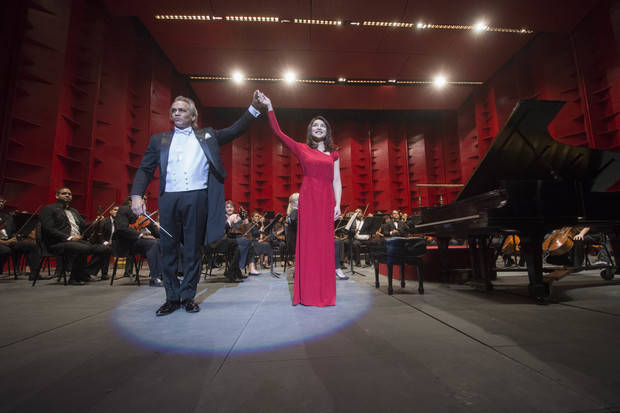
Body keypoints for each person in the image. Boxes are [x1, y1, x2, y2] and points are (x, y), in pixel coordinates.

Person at [130, 92, 264, 316]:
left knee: (193, 250)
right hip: (169, 198)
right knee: (169, 249)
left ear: (193, 116)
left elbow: (234, 130)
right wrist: (136, 194)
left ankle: (188, 296)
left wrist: (253, 108)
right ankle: (172, 297)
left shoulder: (208, 135)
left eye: (181, 109)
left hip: (197, 198)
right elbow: (145, 169)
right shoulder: (158, 140)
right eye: (173, 110)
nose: (176, 113)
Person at [258, 92, 342, 307]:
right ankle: (307, 293)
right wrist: (269, 106)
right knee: (309, 245)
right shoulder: (302, 148)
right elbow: (277, 132)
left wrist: (338, 204)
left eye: (322, 126)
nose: (319, 128)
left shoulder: (334, 154)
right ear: (310, 130)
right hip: (309, 197)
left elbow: (337, 182)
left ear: (327, 130)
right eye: (315, 125)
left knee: (324, 246)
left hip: (326, 201)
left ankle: (323, 292)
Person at [39, 187, 108, 285]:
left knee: (104, 249)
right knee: (83, 248)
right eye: (64, 193)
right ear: (57, 196)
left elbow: (84, 225)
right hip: (58, 242)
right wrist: (69, 238)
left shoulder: (74, 211)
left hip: (77, 242)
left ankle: (86, 273)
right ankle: (74, 278)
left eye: (69, 194)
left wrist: (95, 222)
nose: (67, 195)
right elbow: (48, 229)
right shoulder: (49, 209)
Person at [114, 197, 163, 286]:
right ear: (132, 201)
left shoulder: (146, 214)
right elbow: (122, 228)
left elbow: (155, 232)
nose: (144, 200)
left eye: (145, 199)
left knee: (167, 243)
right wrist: (141, 235)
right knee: (153, 244)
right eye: (142, 198)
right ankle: (155, 277)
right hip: (129, 242)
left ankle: (168, 275)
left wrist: (161, 231)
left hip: (143, 241)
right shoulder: (124, 210)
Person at [0, 197, 41, 280]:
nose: (1, 203)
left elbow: (12, 231)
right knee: (5, 250)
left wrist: (16, 236)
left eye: (2, 201)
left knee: (32, 246)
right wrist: (5, 242)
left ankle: (34, 274)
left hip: (9, 241)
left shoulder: (7, 217)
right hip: (2, 243)